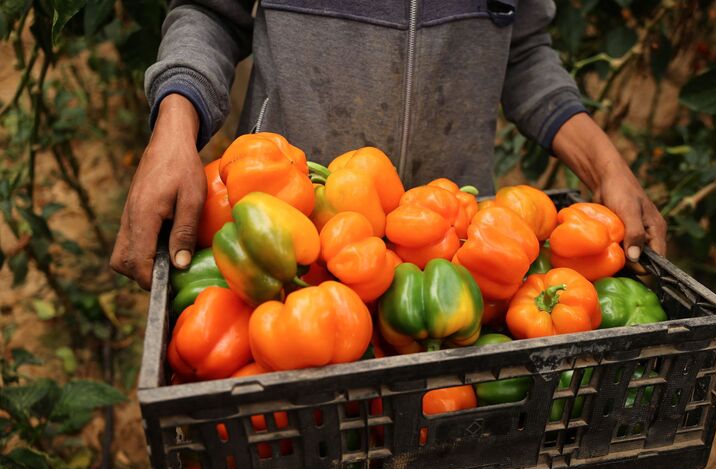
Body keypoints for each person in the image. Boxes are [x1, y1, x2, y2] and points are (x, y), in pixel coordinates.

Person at [110, 0, 667, 288]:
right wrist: (173, 128)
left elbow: (522, 51)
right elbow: (211, 11)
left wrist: (606, 166)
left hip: (459, 249)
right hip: (287, 240)